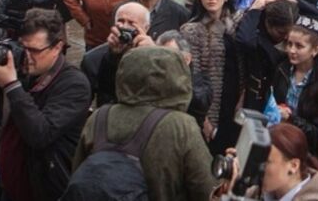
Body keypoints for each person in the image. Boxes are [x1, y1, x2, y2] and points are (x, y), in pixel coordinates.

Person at [70, 45, 215, 201]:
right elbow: (206, 189)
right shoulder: (181, 126)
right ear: (177, 79)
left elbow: (78, 175)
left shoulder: (99, 117)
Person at [0, 8, 91, 200]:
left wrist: (11, 85)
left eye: (34, 50)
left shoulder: (74, 84)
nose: (26, 56)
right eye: (22, 47)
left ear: (57, 47)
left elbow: (41, 134)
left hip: (43, 190)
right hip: (10, 187)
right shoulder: (25, 69)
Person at [179, 0, 239, 151]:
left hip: (233, 102)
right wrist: (203, 118)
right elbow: (192, 77)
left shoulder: (237, 26)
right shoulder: (191, 30)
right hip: (207, 106)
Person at [212, 123, 318, 200]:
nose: (260, 168)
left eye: (266, 162)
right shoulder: (262, 191)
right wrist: (228, 189)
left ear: (293, 166)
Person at [273, 18, 318, 159]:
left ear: (315, 50)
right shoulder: (282, 69)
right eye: (289, 44)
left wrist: (291, 118)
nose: (292, 50)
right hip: (277, 141)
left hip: (304, 152)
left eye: (299, 46)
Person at [235, 0, 294, 112]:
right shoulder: (255, 32)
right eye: (281, 32)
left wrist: (295, 1)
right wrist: (254, 10)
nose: (286, 37)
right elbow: (245, 41)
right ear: (268, 24)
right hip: (253, 97)